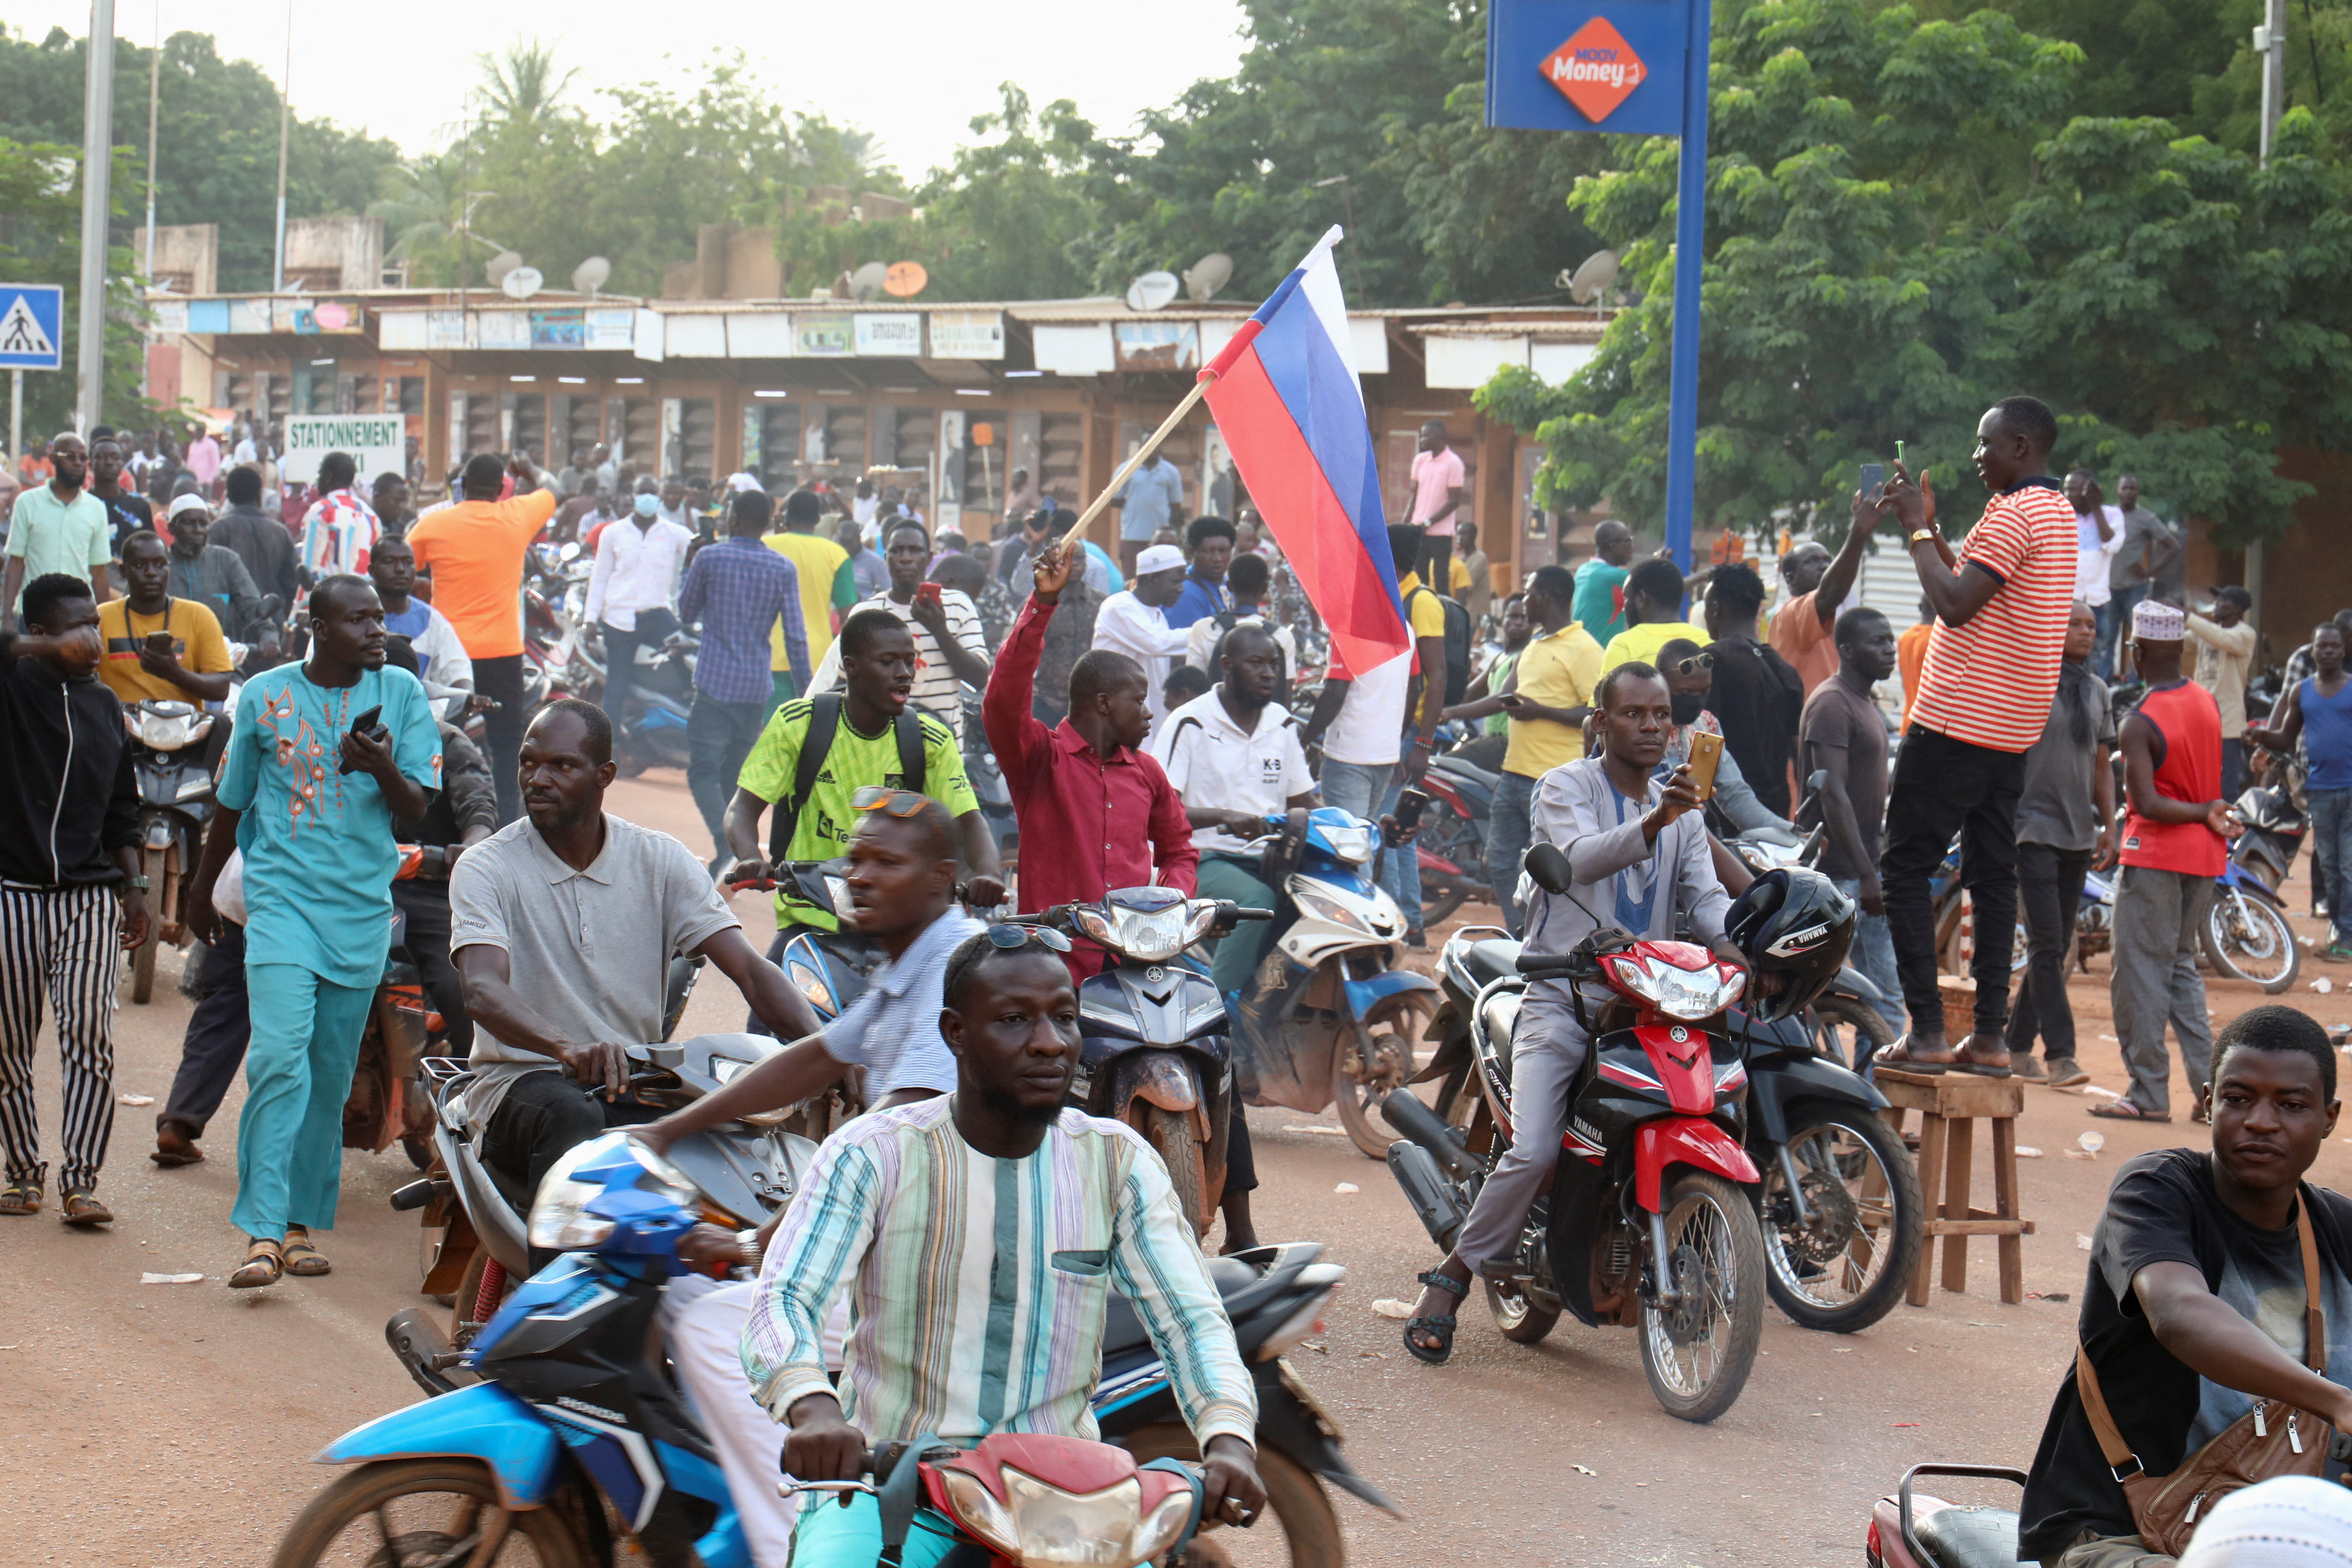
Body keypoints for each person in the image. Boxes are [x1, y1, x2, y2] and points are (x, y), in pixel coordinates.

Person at [744, 927, 1265, 1567]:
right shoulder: (872, 1153)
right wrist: (813, 1406)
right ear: (956, 1033)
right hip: (891, 1493)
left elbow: (1191, 1321)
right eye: (1016, 1020)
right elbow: (784, 1297)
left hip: (1064, 1504)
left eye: (1064, 1018)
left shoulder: (1117, 1161)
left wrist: (1230, 1437)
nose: (1049, 1041)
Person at [1402, 662, 1741, 1363]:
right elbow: (1580, 859)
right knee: (1531, 1152)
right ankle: (1449, 1280)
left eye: (1660, 716)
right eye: (1633, 714)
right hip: (1565, 998)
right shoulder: (1565, 787)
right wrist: (1662, 818)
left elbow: (1704, 896)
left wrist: (1735, 948)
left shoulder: (1682, 807)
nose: (1650, 727)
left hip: (1648, 1004)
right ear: (1600, 722)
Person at [450, 700, 818, 1231]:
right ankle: (562, 1295)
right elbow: (481, 989)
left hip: (632, 1081)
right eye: (529, 763)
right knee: (570, 1114)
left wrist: (823, 1049)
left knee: (725, 1139)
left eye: (561, 765)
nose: (538, 778)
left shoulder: (660, 860)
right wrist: (565, 1047)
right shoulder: (487, 865)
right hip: (520, 1081)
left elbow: (752, 971)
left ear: (605, 776)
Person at [2018, 1006, 2352, 1568]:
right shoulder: (2157, 1191)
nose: (2261, 1121)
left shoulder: (2337, 1229)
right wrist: (2337, 1401)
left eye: (2291, 1104)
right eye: (2239, 1097)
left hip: (2286, 1536)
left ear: (2329, 1116)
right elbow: (2180, 1312)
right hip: (2119, 1534)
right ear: (2207, 1100)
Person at [184, 574, 441, 1286]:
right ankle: (262, 1232)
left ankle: (298, 1225)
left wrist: (381, 764)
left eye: (379, 619)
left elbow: (417, 806)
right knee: (277, 1058)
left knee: (329, 1079)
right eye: (359, 620)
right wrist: (202, 893)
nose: (376, 631)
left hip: (360, 911)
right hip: (281, 904)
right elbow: (231, 805)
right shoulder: (265, 696)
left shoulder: (403, 695)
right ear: (319, 628)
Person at [1871, 396, 2077, 1075]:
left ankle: (1927, 1031)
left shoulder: (2015, 513)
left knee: (1903, 868)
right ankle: (1989, 1038)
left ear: (2020, 446)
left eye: (1985, 444)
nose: (1976, 455)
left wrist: (1913, 528)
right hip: (2012, 728)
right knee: (1993, 876)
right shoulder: (2057, 513)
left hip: (1957, 720)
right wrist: (1933, 529)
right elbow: (1982, 586)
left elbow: (1954, 605)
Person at [0, 574, 148, 1224]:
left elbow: (122, 811)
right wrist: (41, 650)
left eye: (96, 623)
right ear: (37, 632)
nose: (94, 636)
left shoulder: (105, 704)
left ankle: (81, 1179)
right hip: (14, 893)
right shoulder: (11, 688)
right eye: (76, 625)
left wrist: (137, 889)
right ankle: (22, 1169)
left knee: (88, 1035)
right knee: (8, 1043)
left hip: (89, 896)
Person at [727, 608, 1002, 953]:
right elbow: (742, 808)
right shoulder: (798, 724)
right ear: (851, 666)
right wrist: (750, 856)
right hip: (810, 923)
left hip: (895, 933)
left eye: (909, 661)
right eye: (888, 662)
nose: (904, 674)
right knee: (771, 1001)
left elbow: (970, 822)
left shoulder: (931, 740)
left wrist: (989, 873)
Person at [985, 537, 1201, 957]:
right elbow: (1002, 699)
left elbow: (1179, 850)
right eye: (1138, 701)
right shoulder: (1041, 759)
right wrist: (1042, 602)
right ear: (1103, 704)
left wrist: (1170, 903)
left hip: (1135, 963)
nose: (1148, 713)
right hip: (1056, 967)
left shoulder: (1148, 772)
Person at [2096, 600, 2231, 1122]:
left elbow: (2147, 804)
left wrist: (2200, 809)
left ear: (2139, 651)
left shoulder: (2140, 721)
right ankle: (2212, 1093)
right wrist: (2208, 812)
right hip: (2203, 856)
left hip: (2155, 855)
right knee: (2180, 969)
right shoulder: (2206, 702)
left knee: (2138, 973)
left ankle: (2148, 1091)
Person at [1152, 623, 1317, 1000]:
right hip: (1201, 858)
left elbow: (1305, 803)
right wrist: (1224, 816)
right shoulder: (1191, 721)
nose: (1269, 673)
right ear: (1227, 665)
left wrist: (1358, 826)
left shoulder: (1283, 724)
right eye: (1256, 663)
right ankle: (1218, 1012)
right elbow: (1161, 809)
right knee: (1257, 904)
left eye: (1273, 664)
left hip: (1273, 859)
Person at [1303, 524, 1449, 941]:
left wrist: (1304, 739)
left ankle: (1365, 933)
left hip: (1350, 754)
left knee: (1354, 848)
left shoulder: (1353, 623)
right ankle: (1393, 926)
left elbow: (1334, 693)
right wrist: (1395, 733)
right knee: (1374, 837)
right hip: (1383, 754)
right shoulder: (1400, 625)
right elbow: (1414, 687)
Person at [1439, 566, 1599, 934]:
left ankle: (1558, 936)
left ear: (1545, 596)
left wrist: (1540, 711)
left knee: (1554, 867)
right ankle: (1522, 934)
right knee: (1497, 860)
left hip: (1553, 779)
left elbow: (1596, 713)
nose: (1523, 601)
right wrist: (1450, 712)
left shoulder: (1584, 649)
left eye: (1527, 593)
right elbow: (1503, 698)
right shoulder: (1535, 646)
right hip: (1513, 774)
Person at [405, 452, 560, 823]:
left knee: (441, 734)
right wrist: (528, 471)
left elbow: (401, 563)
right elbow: (554, 489)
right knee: (507, 742)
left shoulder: (434, 524)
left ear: (462, 487)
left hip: (452, 655)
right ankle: (506, 819)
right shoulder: (516, 516)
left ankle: (439, 816)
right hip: (503, 652)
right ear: (499, 488)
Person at [2001, 602, 2118, 1087]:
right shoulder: (2030, 683)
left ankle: (2015, 1046)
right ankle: (2062, 1056)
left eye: (2091, 625)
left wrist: (2109, 824)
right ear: (2054, 628)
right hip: (2031, 830)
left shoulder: (2097, 692)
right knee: (2050, 944)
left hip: (2078, 834)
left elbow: (2101, 765)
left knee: (2055, 944)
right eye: (2075, 623)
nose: (2085, 632)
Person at [677, 488, 811, 863]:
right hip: (756, 688)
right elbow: (796, 636)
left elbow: (686, 613)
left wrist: (690, 566)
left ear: (732, 519)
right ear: (769, 523)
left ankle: (725, 846)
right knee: (735, 775)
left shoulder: (709, 557)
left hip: (714, 683)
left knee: (703, 770)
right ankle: (732, 845)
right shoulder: (782, 568)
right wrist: (806, 694)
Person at [383, 636, 497, 1055]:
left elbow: (480, 808)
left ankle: (485, 1093)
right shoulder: (336, 738)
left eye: (396, 682)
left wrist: (471, 845)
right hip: (354, 887)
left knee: (463, 990)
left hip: (430, 889)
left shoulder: (447, 741)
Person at [1800, 609, 1903, 1034]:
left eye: (1889, 640)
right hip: (1840, 876)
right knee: (1858, 997)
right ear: (1845, 649)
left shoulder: (1862, 702)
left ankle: (1871, 1098)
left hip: (1863, 869)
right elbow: (1831, 793)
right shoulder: (1832, 703)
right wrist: (1866, 874)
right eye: (1877, 642)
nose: (1889, 649)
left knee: (1883, 1001)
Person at [802, 521, 991, 744]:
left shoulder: (958, 605)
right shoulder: (866, 613)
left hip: (942, 750)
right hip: (881, 749)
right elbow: (843, 685)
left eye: (915, 550)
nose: (906, 558)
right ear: (885, 558)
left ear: (930, 558)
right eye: (897, 551)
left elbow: (979, 679)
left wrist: (939, 630)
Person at [2252, 623, 2352, 965]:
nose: (2327, 651)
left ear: (2343, 650)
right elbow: (2285, 738)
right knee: (2330, 866)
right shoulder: (2301, 692)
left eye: (2334, 646)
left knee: (2349, 864)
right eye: (2321, 646)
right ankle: (2341, 932)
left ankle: (2347, 936)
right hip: (2319, 789)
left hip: (2351, 788)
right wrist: (2261, 737)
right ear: (2312, 650)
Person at [585, 471, 693, 720]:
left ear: (659, 497)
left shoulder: (673, 532)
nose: (647, 498)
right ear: (633, 497)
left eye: (652, 493)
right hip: (619, 619)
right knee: (616, 687)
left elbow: (701, 552)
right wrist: (590, 619)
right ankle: (612, 748)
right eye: (642, 493)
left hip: (657, 614)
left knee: (689, 659)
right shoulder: (613, 533)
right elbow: (600, 577)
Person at [1700, 561, 1804, 818]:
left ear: (1715, 609)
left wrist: (1693, 804)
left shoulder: (1712, 660)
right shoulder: (1785, 669)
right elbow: (1799, 754)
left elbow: (1705, 740)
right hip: (1776, 810)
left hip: (1726, 814)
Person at [95, 531, 236, 711]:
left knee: (222, 724)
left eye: (160, 565)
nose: (151, 573)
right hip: (122, 729)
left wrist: (175, 673)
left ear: (169, 569)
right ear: (124, 571)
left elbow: (221, 689)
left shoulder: (199, 616)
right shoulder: (102, 618)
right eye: (140, 565)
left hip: (184, 728)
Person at [766, 487, 858, 711]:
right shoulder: (836, 555)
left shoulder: (765, 546)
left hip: (768, 655)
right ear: (818, 520)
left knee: (771, 735)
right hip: (817, 659)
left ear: (786, 516)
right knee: (809, 732)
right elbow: (850, 617)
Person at [3, 432, 111, 613]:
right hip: (33, 613)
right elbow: (16, 562)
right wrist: (6, 616)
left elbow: (99, 570)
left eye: (83, 458)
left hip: (80, 614)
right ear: (53, 459)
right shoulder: (27, 503)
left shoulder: (96, 508)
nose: (78, 463)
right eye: (70, 457)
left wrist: (105, 621)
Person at [1093, 542, 1193, 726]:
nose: (1181, 589)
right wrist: (1205, 630)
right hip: (1117, 719)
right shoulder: (1119, 606)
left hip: (1147, 720)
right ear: (1153, 578)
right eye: (1176, 582)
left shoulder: (1157, 616)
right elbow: (1156, 644)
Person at [369, 534, 473, 700]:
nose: (400, 569)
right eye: (390, 561)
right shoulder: (350, 614)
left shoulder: (432, 620)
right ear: (372, 571)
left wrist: (465, 699)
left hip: (416, 719)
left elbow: (458, 672)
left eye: (408, 562)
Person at [2101, 473, 2183, 678]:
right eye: (2125, 488)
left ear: (2138, 492)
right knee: (2106, 640)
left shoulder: (2146, 518)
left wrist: (2150, 572)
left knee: (2140, 638)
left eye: (2133, 489)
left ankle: (2135, 684)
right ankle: (2104, 684)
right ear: (2118, 491)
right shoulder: (2107, 515)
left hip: (2134, 588)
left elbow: (2173, 546)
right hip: (2106, 588)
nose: (2129, 492)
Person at [1769, 529, 1866, 697]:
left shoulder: (1832, 616)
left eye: (1828, 560)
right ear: (1791, 579)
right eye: (1812, 562)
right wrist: (1860, 532)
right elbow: (1832, 592)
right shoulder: (1791, 614)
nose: (1825, 566)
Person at [163, 496, 266, 646]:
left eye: (203, 524)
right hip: (172, 657)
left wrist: (268, 637)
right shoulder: (158, 564)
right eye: (190, 524)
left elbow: (252, 605)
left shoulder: (226, 560)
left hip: (221, 654)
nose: (198, 530)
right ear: (171, 528)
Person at [2187, 587, 2258, 801]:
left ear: (2238, 609)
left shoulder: (2245, 634)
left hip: (2227, 723)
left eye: (2222, 601)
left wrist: (2188, 617)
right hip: (2200, 719)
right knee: (2198, 783)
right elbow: (2177, 642)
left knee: (2226, 788)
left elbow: (2221, 639)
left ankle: (2227, 831)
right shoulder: (2207, 632)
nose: (2216, 605)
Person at [1182, 551, 1299, 676]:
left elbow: (1194, 684)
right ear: (1265, 589)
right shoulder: (1281, 635)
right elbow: (1285, 691)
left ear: (1229, 587)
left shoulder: (1204, 629)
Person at [210, 464, 298, 611]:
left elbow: (212, 580)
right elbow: (292, 583)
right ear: (259, 494)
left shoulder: (219, 529)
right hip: (273, 616)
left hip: (232, 617)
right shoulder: (280, 532)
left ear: (229, 496)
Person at [1599, 556, 1711, 672]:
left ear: (1642, 599)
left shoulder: (1623, 647)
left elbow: (1607, 690)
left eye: (1626, 597)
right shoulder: (1708, 642)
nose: (1623, 608)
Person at [298, 452, 383, 590]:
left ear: (329, 476)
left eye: (320, 474)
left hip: (329, 600)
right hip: (364, 599)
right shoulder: (371, 516)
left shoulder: (321, 511)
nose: (317, 480)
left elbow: (309, 570)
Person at [1402, 419, 1467, 589]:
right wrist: (1405, 525)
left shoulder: (1454, 463)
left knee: (1440, 579)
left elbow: (1454, 502)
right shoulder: (1420, 461)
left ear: (1440, 438)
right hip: (1419, 530)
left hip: (1441, 533)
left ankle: (1444, 613)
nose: (1423, 440)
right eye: (1422, 436)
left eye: (1427, 436)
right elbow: (1414, 496)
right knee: (1419, 577)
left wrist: (1429, 522)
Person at [1111, 448, 1188, 577]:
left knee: (1160, 577)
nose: (1151, 450)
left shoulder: (1170, 472)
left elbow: (1176, 506)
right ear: (1141, 447)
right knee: (1132, 579)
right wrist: (1137, 502)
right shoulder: (1126, 469)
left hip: (1161, 539)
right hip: (1132, 536)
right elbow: (1114, 500)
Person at [2066, 470, 2124, 638]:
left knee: (2097, 657)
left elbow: (2112, 545)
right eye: (2066, 489)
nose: (2067, 495)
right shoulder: (2063, 515)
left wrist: (2096, 508)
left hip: (2098, 603)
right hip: (2068, 602)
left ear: (2088, 491)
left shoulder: (2112, 515)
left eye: (2073, 490)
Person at [86, 429, 154, 555]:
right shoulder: (81, 504)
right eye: (101, 457)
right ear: (90, 464)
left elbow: (150, 550)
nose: (109, 462)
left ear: (122, 464)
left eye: (115, 458)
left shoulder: (140, 506)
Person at [1167, 514, 1236, 629]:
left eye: (1223, 551)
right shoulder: (1184, 593)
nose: (1218, 558)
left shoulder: (1227, 585)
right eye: (1209, 551)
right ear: (1192, 552)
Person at [1897, 596, 1934, 731]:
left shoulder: (1904, 637)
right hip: (1929, 725)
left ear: (1919, 608)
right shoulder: (1939, 640)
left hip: (1908, 721)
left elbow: (1904, 682)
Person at [835, 516, 886, 597]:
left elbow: (886, 595)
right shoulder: (832, 559)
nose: (846, 549)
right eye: (843, 543)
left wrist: (861, 598)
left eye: (849, 543)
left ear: (859, 539)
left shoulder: (876, 563)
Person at [1456, 520, 1492, 630]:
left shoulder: (1480, 558)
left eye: (1464, 534)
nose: (1460, 538)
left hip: (1476, 617)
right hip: (1465, 615)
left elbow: (1466, 586)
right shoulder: (1460, 560)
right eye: (1459, 534)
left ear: (1473, 537)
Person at [372, 472, 414, 536]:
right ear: (379, 498)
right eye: (397, 501)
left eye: (404, 502)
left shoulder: (404, 530)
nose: (401, 507)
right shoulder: (362, 526)